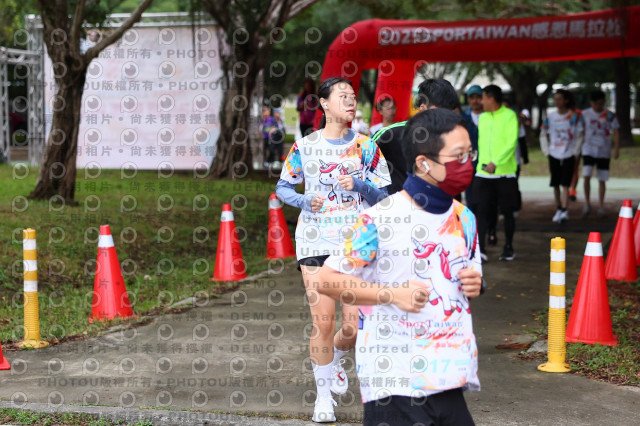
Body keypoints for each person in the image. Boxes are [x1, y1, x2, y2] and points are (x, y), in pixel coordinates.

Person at [317, 108, 483, 426]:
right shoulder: (380, 219)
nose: (467, 164)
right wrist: (392, 294)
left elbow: (466, 280)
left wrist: (476, 284)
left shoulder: (465, 218)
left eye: (470, 154)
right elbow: (326, 279)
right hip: (394, 382)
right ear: (424, 162)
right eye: (458, 156)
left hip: (450, 376)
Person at [275, 77, 391, 423]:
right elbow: (283, 186)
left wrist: (359, 184)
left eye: (353, 97)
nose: (351, 101)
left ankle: (336, 360)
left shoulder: (367, 146)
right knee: (323, 322)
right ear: (324, 103)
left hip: (354, 244)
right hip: (314, 241)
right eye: (343, 96)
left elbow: (385, 198)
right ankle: (323, 399)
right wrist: (303, 200)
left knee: (352, 328)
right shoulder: (305, 146)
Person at [372, 78, 461, 194]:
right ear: (423, 109)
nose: (445, 117)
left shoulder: (452, 137)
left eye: (449, 112)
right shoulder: (391, 134)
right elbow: (364, 163)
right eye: (440, 111)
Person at [474, 84, 519, 261]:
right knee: (481, 210)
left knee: (507, 211)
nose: (481, 101)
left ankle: (508, 247)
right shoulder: (483, 118)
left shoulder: (510, 116)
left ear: (491, 99)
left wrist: (496, 162)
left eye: (483, 98)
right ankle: (480, 249)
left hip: (505, 173)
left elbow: (511, 143)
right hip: (483, 173)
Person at [540, 89, 584, 223]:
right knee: (555, 184)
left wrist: (576, 152)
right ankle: (559, 208)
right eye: (555, 99)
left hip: (569, 154)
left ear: (566, 100)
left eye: (559, 99)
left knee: (566, 183)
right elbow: (543, 133)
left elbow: (579, 135)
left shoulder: (574, 116)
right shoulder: (550, 117)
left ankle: (565, 210)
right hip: (554, 154)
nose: (556, 102)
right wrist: (547, 151)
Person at [580, 89, 620, 218]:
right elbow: (580, 130)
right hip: (588, 149)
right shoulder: (584, 114)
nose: (599, 106)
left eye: (602, 103)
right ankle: (587, 203)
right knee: (586, 175)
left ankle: (601, 206)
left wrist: (616, 149)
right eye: (597, 103)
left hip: (604, 150)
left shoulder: (609, 115)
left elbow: (616, 131)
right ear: (591, 103)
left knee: (602, 178)